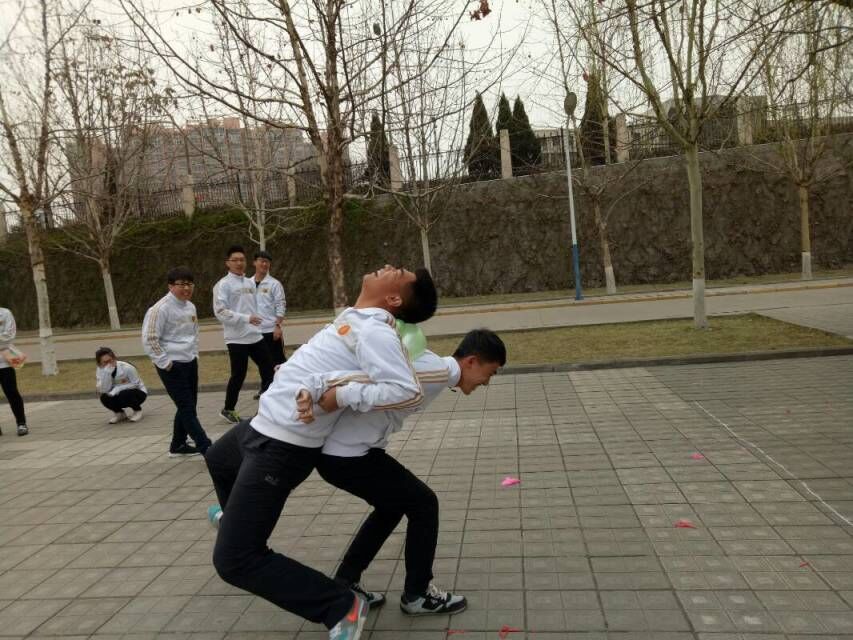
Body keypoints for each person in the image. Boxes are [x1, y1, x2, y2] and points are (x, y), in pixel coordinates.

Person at [203, 265, 437, 640]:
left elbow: (407, 390)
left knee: (235, 560)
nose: (391, 266)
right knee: (219, 459)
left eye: (400, 272)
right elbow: (333, 365)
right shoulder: (356, 318)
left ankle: (340, 606)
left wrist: (342, 395)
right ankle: (234, 518)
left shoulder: (375, 331)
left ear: (394, 298)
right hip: (262, 425)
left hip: (281, 446)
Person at [316, 329, 506, 616]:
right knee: (424, 504)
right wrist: (326, 392)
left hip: (348, 452)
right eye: (489, 373)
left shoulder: (434, 368)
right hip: (347, 455)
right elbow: (362, 377)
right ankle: (417, 595)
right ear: (471, 361)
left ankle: (346, 581)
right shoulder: (434, 372)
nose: (487, 383)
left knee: (392, 506)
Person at [141, 266, 212, 457]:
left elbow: (194, 333)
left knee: (189, 404)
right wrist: (166, 363)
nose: (186, 288)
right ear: (170, 286)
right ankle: (207, 447)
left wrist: (194, 355)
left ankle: (178, 445)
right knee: (187, 407)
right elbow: (150, 339)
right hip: (172, 365)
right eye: (181, 284)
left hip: (189, 361)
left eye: (189, 284)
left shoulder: (191, 307)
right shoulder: (160, 309)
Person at [213, 245, 275, 423]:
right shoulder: (223, 285)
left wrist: (259, 323)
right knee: (239, 374)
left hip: (255, 335)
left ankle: (270, 406)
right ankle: (228, 409)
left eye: (242, 260)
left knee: (270, 369)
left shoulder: (249, 283)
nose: (239, 263)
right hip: (236, 338)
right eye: (235, 260)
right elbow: (220, 312)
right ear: (227, 263)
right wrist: (246, 318)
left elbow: (254, 308)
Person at [252, 249, 287, 367]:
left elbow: (281, 305)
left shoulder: (274, 284)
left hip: (271, 331)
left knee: (278, 363)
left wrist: (278, 326)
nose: (264, 264)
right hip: (255, 332)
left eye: (267, 262)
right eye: (261, 261)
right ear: (254, 262)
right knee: (263, 364)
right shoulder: (247, 284)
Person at [94, 347, 148, 424]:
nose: (108, 364)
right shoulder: (100, 370)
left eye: (110, 360)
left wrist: (118, 388)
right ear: (100, 363)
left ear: (114, 358)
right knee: (104, 397)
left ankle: (137, 411)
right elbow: (104, 389)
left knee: (125, 394)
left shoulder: (127, 367)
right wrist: (107, 374)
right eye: (105, 362)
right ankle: (119, 413)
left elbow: (136, 384)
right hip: (115, 394)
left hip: (138, 393)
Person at [0, 306, 28, 436]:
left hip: (5, 362)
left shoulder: (5, 313)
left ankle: (21, 423)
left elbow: (9, 336)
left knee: (12, 393)